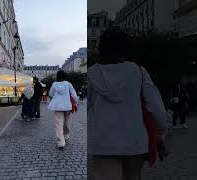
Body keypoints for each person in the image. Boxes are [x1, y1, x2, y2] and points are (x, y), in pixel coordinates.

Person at [88, 27, 167, 180]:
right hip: (134, 141)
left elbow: (86, 107)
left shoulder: (92, 74)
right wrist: (161, 132)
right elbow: (156, 108)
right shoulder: (138, 72)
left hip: (102, 142)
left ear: (101, 48)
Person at [48, 70, 78, 149]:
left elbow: (50, 94)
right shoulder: (68, 84)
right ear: (64, 76)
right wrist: (75, 103)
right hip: (67, 106)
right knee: (66, 121)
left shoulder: (54, 84)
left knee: (58, 124)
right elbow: (74, 95)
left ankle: (61, 142)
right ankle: (66, 135)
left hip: (57, 106)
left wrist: (54, 98)